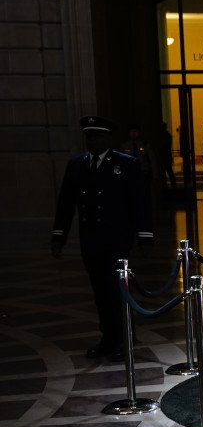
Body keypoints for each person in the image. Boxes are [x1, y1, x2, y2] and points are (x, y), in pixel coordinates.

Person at [50, 116, 153, 360]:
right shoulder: (77, 164)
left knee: (117, 291)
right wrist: (59, 236)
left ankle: (123, 339)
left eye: (97, 136)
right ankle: (108, 338)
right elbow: (66, 203)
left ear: (108, 138)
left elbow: (139, 202)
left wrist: (145, 236)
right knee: (100, 292)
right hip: (91, 240)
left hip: (117, 239)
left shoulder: (125, 163)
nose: (92, 140)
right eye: (88, 136)